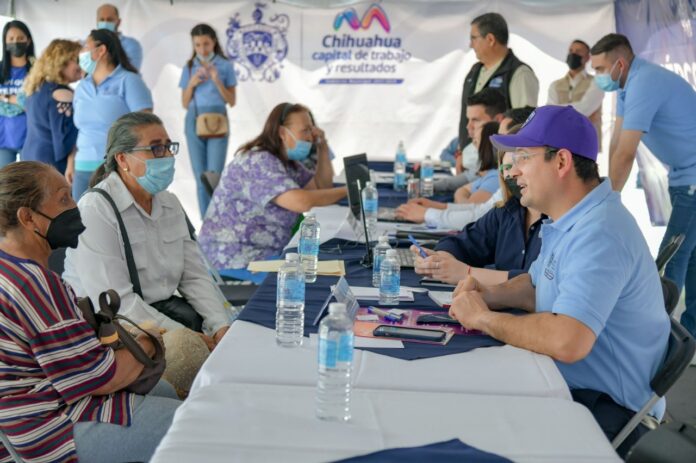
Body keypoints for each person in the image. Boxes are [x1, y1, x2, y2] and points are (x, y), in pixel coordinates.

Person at [449, 105, 670, 457]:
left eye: (523, 157)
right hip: (569, 385)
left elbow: (568, 341)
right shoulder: (571, 219)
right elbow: (535, 286)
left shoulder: (600, 232)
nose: (513, 170)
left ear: (562, 162)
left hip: (604, 407)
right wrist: (488, 294)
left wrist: (483, 318)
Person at [0, 161, 180, 463]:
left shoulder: (10, 268)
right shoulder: (34, 283)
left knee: (164, 390)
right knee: (194, 424)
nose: (75, 207)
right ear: (28, 217)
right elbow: (102, 379)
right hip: (46, 428)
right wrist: (149, 341)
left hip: (19, 418)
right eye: (64, 199)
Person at [63, 112, 230, 349]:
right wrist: (188, 338)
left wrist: (220, 326)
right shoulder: (96, 210)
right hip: (110, 329)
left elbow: (194, 276)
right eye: (156, 148)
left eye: (168, 146)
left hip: (162, 316)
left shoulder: (169, 203)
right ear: (123, 159)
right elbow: (116, 303)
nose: (168, 156)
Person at [591, 33, 696, 341]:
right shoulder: (628, 85)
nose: (597, 76)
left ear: (620, 64)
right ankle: (689, 335)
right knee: (690, 257)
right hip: (684, 177)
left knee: (671, 258)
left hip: (692, 179)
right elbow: (616, 142)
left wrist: (608, 201)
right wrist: (606, 191)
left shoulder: (645, 82)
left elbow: (627, 153)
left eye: (600, 69)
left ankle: (654, 340)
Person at [198, 102, 347, 270]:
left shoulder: (288, 163)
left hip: (264, 254)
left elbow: (321, 189)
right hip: (234, 260)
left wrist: (322, 146)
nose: (310, 137)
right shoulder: (258, 162)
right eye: (305, 131)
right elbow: (302, 202)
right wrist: (348, 190)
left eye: (311, 131)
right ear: (282, 133)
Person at [412, 142, 544, 286]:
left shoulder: (556, 221)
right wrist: (439, 259)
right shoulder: (506, 211)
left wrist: (467, 272)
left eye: (521, 162)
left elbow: (537, 284)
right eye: (506, 168)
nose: (512, 173)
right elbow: (465, 242)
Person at [71, 28, 152, 199]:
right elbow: (78, 130)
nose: (81, 52)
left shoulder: (129, 80)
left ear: (101, 50)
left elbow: (146, 127)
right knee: (80, 216)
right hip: (82, 166)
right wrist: (71, 162)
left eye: (86, 46)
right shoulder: (82, 86)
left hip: (116, 167)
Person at [179, 23, 237, 218]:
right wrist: (192, 84)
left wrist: (217, 80)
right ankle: (206, 223)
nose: (202, 49)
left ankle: (217, 221)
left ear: (214, 42)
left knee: (214, 176)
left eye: (206, 44)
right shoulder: (189, 67)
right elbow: (184, 103)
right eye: (197, 45)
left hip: (218, 121)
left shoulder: (225, 65)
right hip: (194, 121)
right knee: (199, 176)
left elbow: (232, 101)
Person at [458, 12, 538, 149]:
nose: (470, 45)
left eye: (474, 38)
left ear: (490, 39)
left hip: (499, 155)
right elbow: (465, 119)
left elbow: (524, 123)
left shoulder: (519, 74)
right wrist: (462, 149)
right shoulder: (474, 71)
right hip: (472, 155)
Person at [398, 121, 501, 223]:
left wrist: (427, 213)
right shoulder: (486, 176)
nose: (471, 147)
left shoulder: (494, 178)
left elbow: (472, 215)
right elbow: (464, 196)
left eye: (476, 142)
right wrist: (431, 206)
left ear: (487, 148)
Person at [21, 39, 81, 173]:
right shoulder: (61, 93)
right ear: (61, 62)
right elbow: (65, 143)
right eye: (76, 60)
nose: (81, 65)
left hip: (30, 156)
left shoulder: (36, 88)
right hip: (51, 164)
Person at [437, 88, 506, 192]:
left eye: (476, 120)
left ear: (498, 120)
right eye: (468, 120)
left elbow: (455, 185)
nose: (468, 126)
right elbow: (444, 154)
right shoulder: (468, 142)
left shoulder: (504, 156)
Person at [547, 39, 603, 140]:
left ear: (587, 57)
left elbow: (585, 108)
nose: (573, 54)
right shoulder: (555, 85)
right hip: (560, 140)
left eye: (578, 51)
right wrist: (583, 118)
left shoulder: (597, 82)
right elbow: (549, 113)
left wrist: (558, 112)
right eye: (571, 51)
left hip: (586, 141)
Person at [0, 20, 35, 168]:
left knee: (31, 179)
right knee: (4, 180)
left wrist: (5, 98)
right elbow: (25, 101)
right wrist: (19, 100)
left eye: (20, 38)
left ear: (28, 40)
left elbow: (34, 103)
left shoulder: (37, 70)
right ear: (5, 42)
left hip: (31, 137)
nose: (16, 42)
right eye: (11, 38)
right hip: (3, 139)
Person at [96, 3, 143, 70]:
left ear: (118, 22)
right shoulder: (88, 45)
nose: (105, 23)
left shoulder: (131, 45)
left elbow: (130, 72)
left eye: (109, 20)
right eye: (102, 20)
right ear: (97, 22)